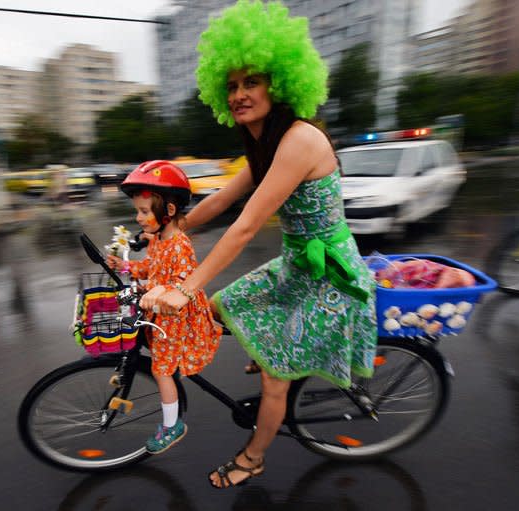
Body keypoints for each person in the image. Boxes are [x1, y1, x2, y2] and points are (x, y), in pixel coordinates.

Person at [144, 0, 377, 488]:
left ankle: (254, 457)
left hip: (329, 275)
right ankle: (273, 346)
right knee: (219, 307)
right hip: (297, 264)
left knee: (273, 377)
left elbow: (246, 226)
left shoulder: (297, 140)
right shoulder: (264, 144)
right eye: (231, 86)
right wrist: (164, 229)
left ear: (281, 83)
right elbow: (217, 205)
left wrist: (184, 287)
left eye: (251, 82)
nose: (239, 94)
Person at [106, 160, 223, 454]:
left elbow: (181, 284)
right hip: (159, 311)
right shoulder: (159, 240)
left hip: (175, 317)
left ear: (169, 211)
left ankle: (173, 426)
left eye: (145, 211)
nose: (139, 218)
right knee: (154, 352)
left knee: (161, 371)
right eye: (138, 211)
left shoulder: (180, 244)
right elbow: (150, 268)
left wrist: (150, 290)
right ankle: (165, 371)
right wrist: (127, 266)